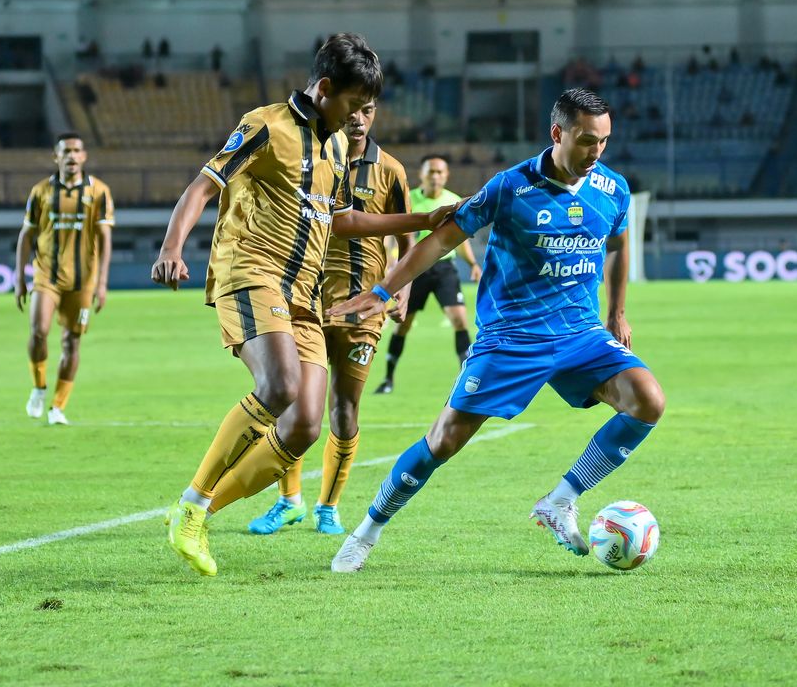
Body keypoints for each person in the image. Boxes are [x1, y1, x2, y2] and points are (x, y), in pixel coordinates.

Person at [150, 33, 455, 578]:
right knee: (281, 385)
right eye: (354, 104)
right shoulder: (265, 125)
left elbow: (343, 220)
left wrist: (422, 219)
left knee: (304, 426)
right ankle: (193, 503)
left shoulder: (334, 148)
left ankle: (196, 513)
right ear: (325, 88)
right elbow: (203, 186)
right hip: (251, 271)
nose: (359, 117)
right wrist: (172, 247)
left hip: (303, 294)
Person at [327, 88, 665, 573]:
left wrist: (618, 313)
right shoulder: (510, 187)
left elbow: (617, 245)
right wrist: (382, 291)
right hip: (512, 337)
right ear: (558, 133)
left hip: (580, 332)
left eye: (604, 141)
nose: (597, 152)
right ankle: (366, 532)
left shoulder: (612, 188)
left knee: (648, 400)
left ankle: (560, 500)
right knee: (442, 442)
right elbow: (440, 241)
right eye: (587, 140)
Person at [247, 95, 413, 537]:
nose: (358, 119)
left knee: (345, 409)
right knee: (291, 403)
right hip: (307, 301)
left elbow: (406, 239)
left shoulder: (390, 170)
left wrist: (404, 289)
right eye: (353, 110)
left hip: (364, 309)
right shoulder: (316, 158)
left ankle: (329, 506)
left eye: (368, 111)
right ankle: (288, 501)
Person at [15, 133, 115, 426]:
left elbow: (105, 238)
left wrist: (102, 283)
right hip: (46, 274)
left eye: (76, 151)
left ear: (84, 156)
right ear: (56, 157)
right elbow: (27, 234)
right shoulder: (41, 191)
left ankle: (57, 406)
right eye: (66, 151)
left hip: (83, 280)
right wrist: (20, 278)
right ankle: (39, 387)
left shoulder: (99, 191)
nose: (71, 156)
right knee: (39, 331)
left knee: (72, 342)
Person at [373, 153, 482, 395]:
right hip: (416, 269)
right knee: (403, 325)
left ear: (446, 175)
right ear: (421, 174)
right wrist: (390, 262)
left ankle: (464, 379)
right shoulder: (409, 199)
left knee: (460, 320)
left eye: (440, 172)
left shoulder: (453, 201)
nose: (435, 176)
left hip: (444, 269)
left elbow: (461, 239)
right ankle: (388, 379)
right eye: (431, 171)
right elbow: (394, 234)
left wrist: (473, 264)